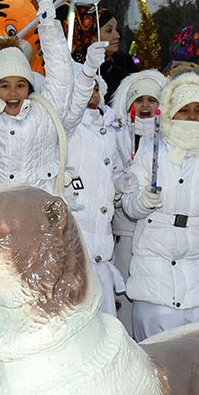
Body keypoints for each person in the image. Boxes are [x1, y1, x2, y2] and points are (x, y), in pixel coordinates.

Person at [120, 74, 199, 340]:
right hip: (153, 265)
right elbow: (130, 206)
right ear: (171, 113)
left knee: (196, 350)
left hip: (197, 268)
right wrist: (142, 201)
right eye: (184, 110)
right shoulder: (150, 150)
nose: (191, 117)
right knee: (154, 350)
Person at [0, 0, 97, 196]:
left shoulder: (45, 113)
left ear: (30, 87)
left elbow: (61, 76)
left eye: (21, 85)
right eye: (4, 86)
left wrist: (49, 28)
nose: (13, 93)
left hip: (38, 216)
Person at [63, 63, 126, 316]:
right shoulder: (69, 127)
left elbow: (116, 169)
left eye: (96, 89)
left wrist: (121, 183)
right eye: (85, 89)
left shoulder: (112, 127)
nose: (91, 96)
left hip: (103, 242)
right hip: (77, 234)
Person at [110, 69, 167, 334]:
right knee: (122, 295)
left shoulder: (168, 139)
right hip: (124, 231)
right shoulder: (115, 135)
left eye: (151, 100)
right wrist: (119, 183)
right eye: (139, 99)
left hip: (157, 233)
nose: (145, 105)